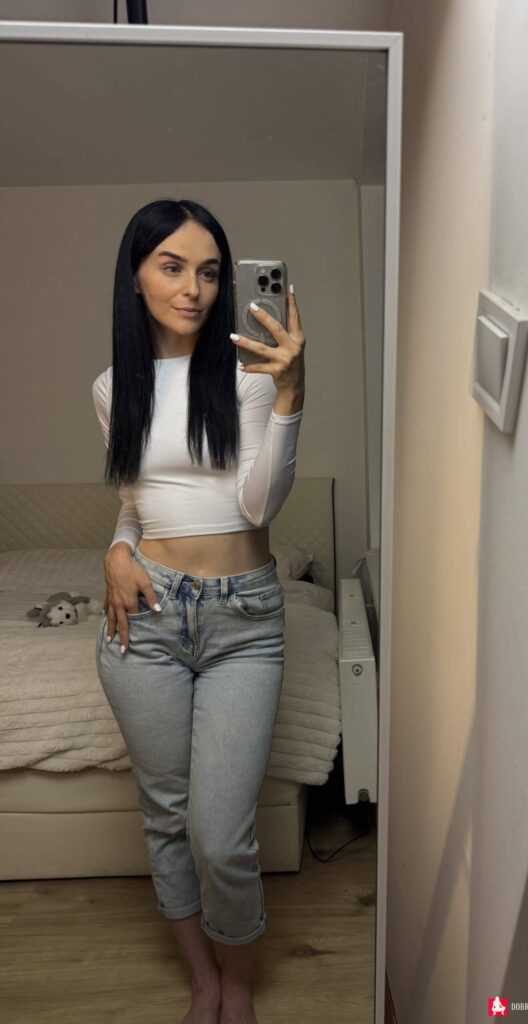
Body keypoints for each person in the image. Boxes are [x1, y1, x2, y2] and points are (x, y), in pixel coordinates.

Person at [92, 198, 306, 1024]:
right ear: (136, 277)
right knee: (167, 818)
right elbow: (137, 502)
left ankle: (240, 982)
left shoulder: (249, 374)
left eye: (210, 272)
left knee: (220, 834)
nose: (194, 288)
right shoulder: (114, 387)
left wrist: (289, 393)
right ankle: (204, 981)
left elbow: (257, 507)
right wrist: (117, 550)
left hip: (242, 621)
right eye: (173, 267)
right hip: (145, 617)